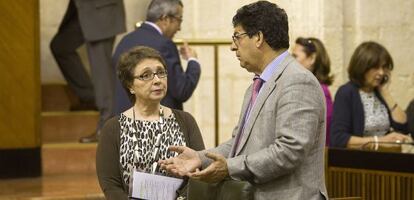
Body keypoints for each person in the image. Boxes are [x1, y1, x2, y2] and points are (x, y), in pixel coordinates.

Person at [160, 1, 328, 199]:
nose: (233, 46)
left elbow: (289, 152)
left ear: (258, 38)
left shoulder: (297, 81)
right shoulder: (257, 85)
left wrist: (229, 168)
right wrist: (199, 157)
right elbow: (239, 144)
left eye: (237, 37)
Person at [96, 46, 205, 199]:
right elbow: (110, 183)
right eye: (146, 75)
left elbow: (199, 170)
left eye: (161, 73)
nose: (157, 80)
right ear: (130, 86)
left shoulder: (185, 121)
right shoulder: (113, 128)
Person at [50, 0, 126, 143]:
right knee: (60, 46)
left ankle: (107, 128)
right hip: (82, 9)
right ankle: (89, 96)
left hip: (101, 10)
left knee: (101, 71)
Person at [112, 0, 200, 114]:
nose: (179, 28)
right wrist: (193, 61)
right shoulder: (164, 45)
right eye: (179, 20)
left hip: (125, 123)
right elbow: (182, 90)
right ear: (166, 19)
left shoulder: (124, 41)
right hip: (157, 124)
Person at [330, 41, 410, 148]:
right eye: (376, 67)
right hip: (357, 160)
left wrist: (386, 93)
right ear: (362, 67)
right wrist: (379, 141)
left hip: (383, 159)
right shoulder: (346, 92)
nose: (381, 73)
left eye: (384, 67)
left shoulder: (379, 93)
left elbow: (403, 127)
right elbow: (339, 138)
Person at [292, 37, 334, 146]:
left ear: (312, 58)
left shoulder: (319, 91)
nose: (290, 61)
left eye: (295, 56)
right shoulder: (304, 87)